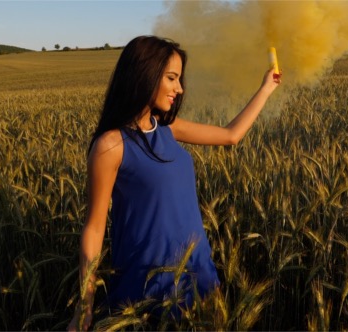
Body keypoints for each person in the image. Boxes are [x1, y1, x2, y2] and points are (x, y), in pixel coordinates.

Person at [67, 35, 281, 331]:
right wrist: (84, 306)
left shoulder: (168, 129)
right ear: (146, 74)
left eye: (179, 79)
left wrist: (266, 88)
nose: (179, 89)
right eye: (172, 78)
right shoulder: (111, 145)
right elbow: (94, 228)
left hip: (198, 275)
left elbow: (231, 135)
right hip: (146, 287)